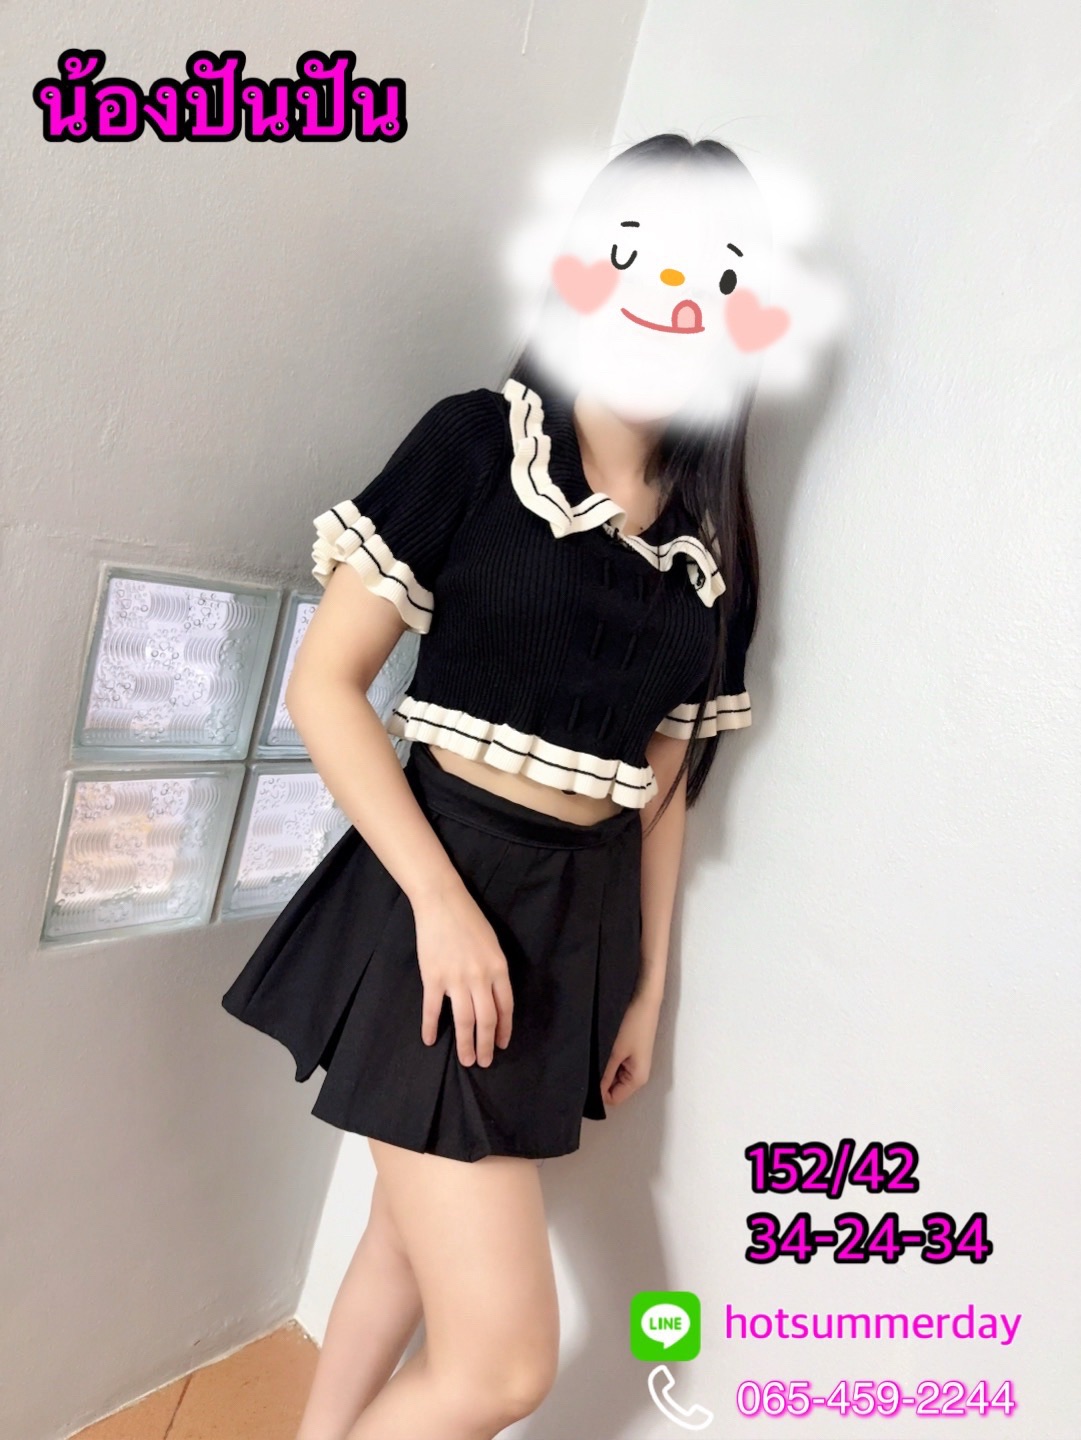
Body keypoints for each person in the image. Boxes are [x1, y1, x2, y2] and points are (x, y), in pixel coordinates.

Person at [221, 132, 767, 1440]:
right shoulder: (477, 443)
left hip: (573, 924)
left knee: (401, 1251)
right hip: (433, 887)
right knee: (506, 1366)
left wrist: (645, 987)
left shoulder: (709, 549)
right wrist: (441, 906)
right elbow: (325, 689)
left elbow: (663, 786)